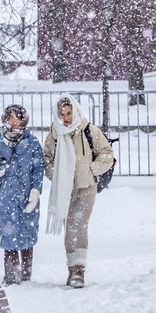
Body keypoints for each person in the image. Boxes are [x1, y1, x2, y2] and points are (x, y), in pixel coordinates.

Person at [43, 93, 115, 288]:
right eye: (62, 114)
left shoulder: (89, 130)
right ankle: (71, 268)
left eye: (68, 113)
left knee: (80, 225)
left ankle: (79, 271)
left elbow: (107, 153)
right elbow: (46, 159)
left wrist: (92, 170)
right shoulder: (54, 135)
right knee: (70, 228)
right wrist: (56, 175)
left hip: (86, 187)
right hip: (64, 189)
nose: (66, 118)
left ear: (75, 111)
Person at [0, 104, 44, 285]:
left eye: (16, 118)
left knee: (27, 232)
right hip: (8, 196)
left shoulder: (32, 142)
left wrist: (35, 191)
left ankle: (26, 274)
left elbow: (39, 169)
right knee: (9, 234)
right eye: (10, 118)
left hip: (27, 194)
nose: (13, 122)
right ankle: (11, 275)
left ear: (23, 120)